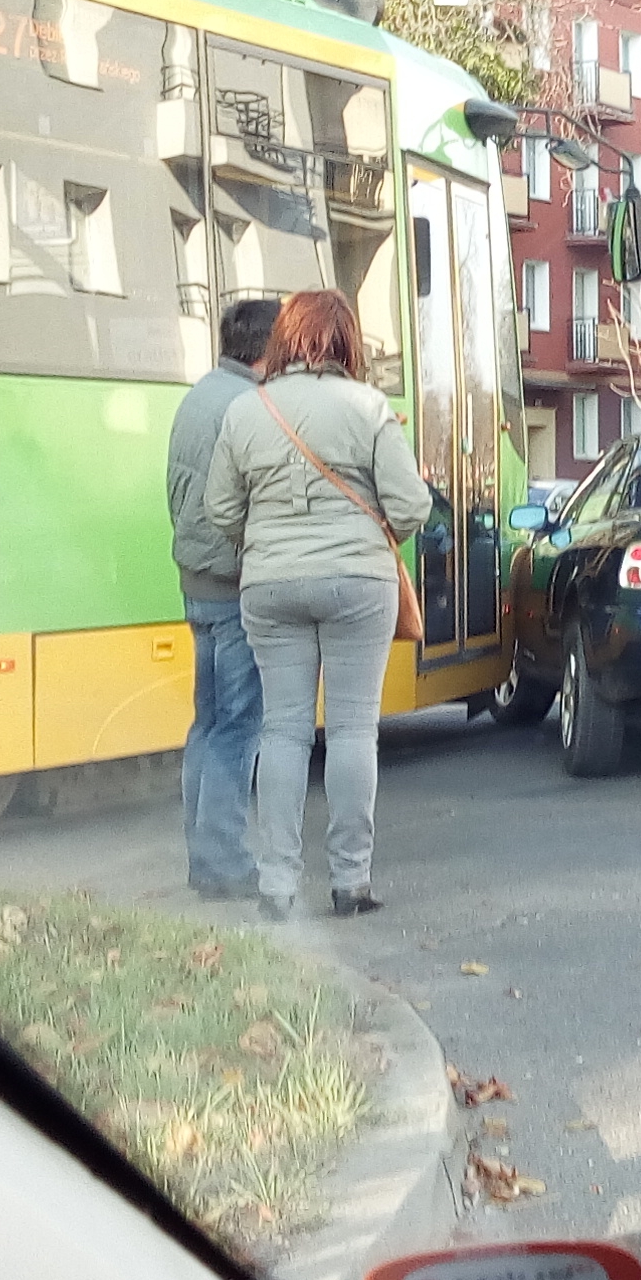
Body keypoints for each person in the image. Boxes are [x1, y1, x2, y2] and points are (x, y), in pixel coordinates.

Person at [174, 288, 432, 919]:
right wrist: (367, 536)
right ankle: (350, 883)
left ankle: (278, 886)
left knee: (282, 731)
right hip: (356, 584)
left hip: (268, 586)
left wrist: (269, 543)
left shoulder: (248, 409)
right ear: (347, 341)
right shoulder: (370, 407)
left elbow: (220, 510)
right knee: (350, 729)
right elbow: (412, 505)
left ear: (284, 338)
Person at [165, 295, 284, 898]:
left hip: (196, 584)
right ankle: (227, 866)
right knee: (239, 728)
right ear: (269, 348)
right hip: (235, 585)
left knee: (208, 724)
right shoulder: (248, 407)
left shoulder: (199, 395)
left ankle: (202, 857)